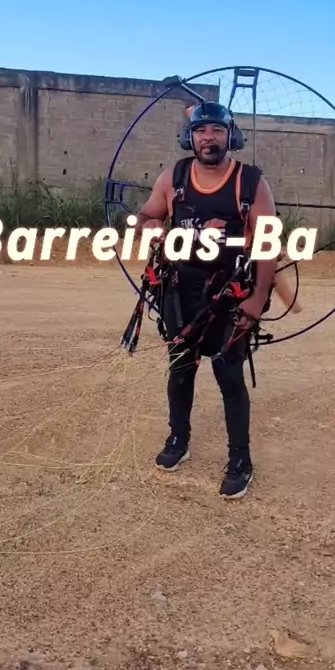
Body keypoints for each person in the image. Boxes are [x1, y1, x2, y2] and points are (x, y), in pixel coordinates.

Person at [135, 101, 278, 499]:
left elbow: (267, 245)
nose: (208, 138)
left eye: (217, 130)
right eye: (201, 131)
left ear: (231, 136)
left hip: (230, 293)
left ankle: (240, 460)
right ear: (190, 137)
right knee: (181, 369)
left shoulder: (250, 183)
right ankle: (178, 440)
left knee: (228, 374)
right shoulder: (174, 177)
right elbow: (144, 218)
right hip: (179, 289)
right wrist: (153, 228)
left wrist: (257, 300)